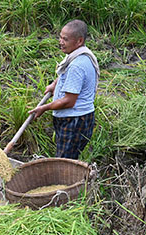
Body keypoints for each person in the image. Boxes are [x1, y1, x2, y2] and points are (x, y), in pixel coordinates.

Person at [28, 20, 100, 159]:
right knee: (66, 160)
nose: (61, 42)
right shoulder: (77, 56)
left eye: (65, 39)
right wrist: (55, 84)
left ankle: (72, 181)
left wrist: (44, 108)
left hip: (75, 120)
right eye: (60, 37)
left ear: (79, 41)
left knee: (64, 162)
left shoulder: (77, 65)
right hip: (77, 118)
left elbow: (68, 101)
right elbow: (66, 76)